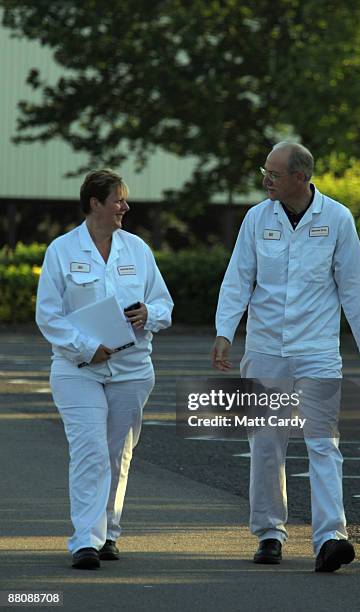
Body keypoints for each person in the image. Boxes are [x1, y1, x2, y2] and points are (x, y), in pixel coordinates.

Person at [211, 142, 360, 572]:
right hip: (266, 349)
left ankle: (331, 537)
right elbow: (238, 279)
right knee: (267, 446)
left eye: (272, 173)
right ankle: (269, 533)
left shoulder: (338, 219)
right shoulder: (257, 218)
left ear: (300, 177)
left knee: (324, 443)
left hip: (318, 353)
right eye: (264, 171)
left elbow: (353, 286)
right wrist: (224, 332)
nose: (265, 179)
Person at [36, 169, 173, 569]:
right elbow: (48, 316)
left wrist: (150, 314)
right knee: (90, 451)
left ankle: (109, 532)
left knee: (117, 454)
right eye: (118, 200)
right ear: (95, 203)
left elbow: (164, 305)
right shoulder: (62, 250)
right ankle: (85, 541)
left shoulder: (138, 250)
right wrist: (86, 347)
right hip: (77, 368)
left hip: (131, 370)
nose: (125, 207)